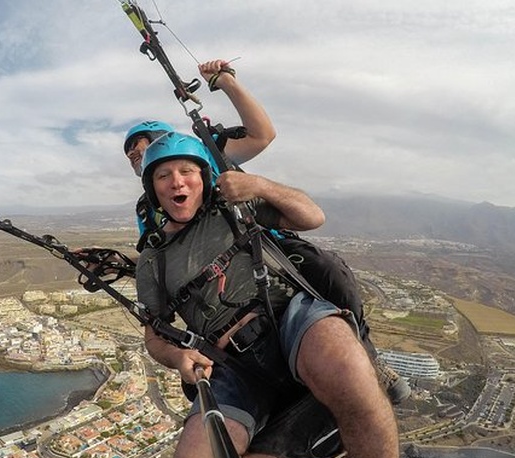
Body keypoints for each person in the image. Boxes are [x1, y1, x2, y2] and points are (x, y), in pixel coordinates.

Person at [134, 132, 418, 458]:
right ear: (153, 188)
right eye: (164, 175)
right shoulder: (152, 261)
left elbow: (311, 216)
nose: (177, 181)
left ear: (204, 177)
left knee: (348, 367)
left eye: (186, 171)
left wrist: (260, 186)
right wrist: (179, 356)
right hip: (230, 362)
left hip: (286, 316)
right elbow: (154, 334)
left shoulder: (236, 209)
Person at [121, 59, 410, 404]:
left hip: (264, 245)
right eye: (132, 157)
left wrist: (225, 82)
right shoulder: (148, 207)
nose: (137, 158)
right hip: (218, 294)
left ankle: (368, 356)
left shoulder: (206, 155)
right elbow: (164, 253)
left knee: (327, 270)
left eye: (141, 148)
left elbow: (262, 135)